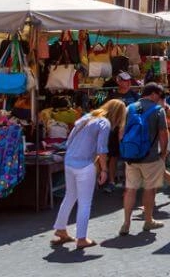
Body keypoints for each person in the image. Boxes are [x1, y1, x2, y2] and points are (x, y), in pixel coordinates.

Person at [52, 99, 126, 249]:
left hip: (70, 161)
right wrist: (104, 169)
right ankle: (81, 238)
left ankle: (61, 229)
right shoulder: (104, 123)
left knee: (70, 196)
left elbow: (69, 141)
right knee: (85, 203)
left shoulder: (86, 117)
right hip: (84, 164)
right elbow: (102, 149)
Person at [120, 83, 170, 236]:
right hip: (150, 156)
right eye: (160, 96)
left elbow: (121, 132)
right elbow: (163, 134)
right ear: (154, 94)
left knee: (130, 190)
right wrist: (163, 154)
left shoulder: (130, 108)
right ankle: (148, 221)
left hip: (131, 157)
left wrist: (125, 150)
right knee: (149, 189)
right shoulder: (158, 110)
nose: (160, 100)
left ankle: (126, 223)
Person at [103, 72, 139, 193]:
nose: (128, 83)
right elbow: (105, 111)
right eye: (125, 80)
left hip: (129, 131)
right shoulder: (112, 96)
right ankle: (112, 181)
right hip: (114, 130)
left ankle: (126, 181)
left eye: (129, 80)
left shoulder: (135, 95)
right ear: (118, 81)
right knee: (113, 156)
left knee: (127, 156)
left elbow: (139, 112)